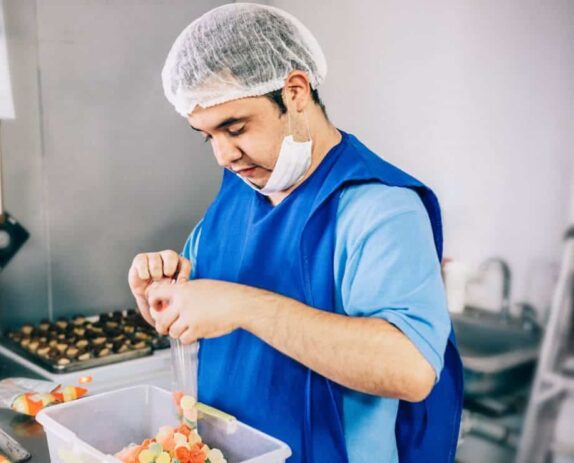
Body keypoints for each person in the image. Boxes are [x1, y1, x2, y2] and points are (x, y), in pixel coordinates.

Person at [127, 4, 463, 462]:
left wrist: (243, 305)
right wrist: (161, 297)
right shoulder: (235, 198)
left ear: (296, 92)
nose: (224, 156)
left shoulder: (379, 208)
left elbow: (412, 368)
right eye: (207, 136)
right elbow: (199, 316)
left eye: (235, 127)